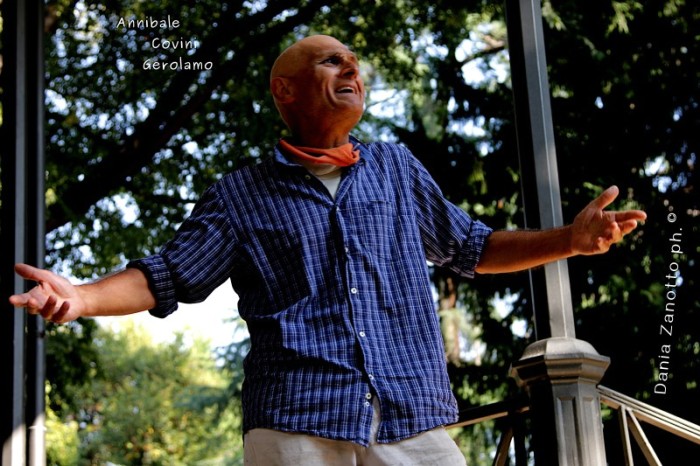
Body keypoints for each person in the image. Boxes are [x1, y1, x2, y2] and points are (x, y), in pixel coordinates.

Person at [9, 35, 646, 465]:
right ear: (284, 91)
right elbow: (169, 276)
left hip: (413, 417)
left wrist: (570, 239)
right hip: (295, 425)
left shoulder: (396, 169)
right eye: (330, 62)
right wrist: (81, 296)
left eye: (353, 63)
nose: (351, 70)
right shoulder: (241, 195)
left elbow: (471, 249)